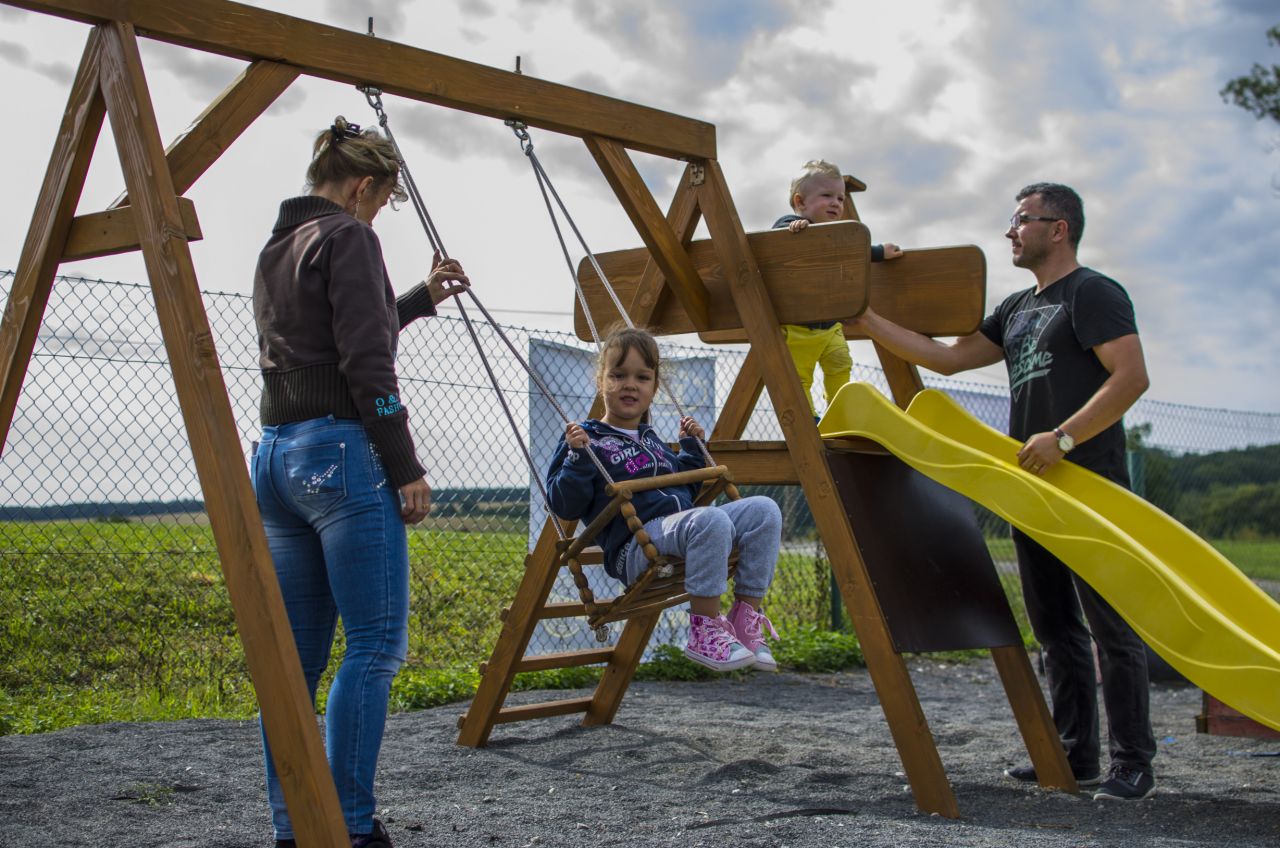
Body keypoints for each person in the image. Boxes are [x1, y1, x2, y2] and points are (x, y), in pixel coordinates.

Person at [847, 182, 1157, 802]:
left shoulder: (1092, 292)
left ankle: (1133, 763)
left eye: (1021, 219)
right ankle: (1075, 755)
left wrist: (1064, 438)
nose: (1010, 231)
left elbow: (1131, 377)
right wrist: (867, 320)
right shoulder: (1016, 308)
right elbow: (946, 359)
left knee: (1110, 628)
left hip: (1090, 486)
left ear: (1059, 228)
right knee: (1055, 628)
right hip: (1031, 488)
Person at [251, 117, 470, 848]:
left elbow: (336, 338)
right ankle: (347, 828)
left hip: (277, 457)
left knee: (297, 662)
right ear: (362, 187)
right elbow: (366, 363)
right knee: (373, 646)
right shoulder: (349, 236)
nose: (376, 216)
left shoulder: (279, 244)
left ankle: (295, 829)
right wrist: (404, 465)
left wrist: (418, 299)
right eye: (378, 203)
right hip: (341, 455)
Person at [545, 327, 784, 672]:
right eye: (618, 375)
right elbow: (564, 505)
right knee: (710, 518)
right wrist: (577, 457)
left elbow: (684, 494)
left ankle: (745, 619)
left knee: (765, 510)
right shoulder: (586, 440)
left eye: (642, 377)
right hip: (635, 545)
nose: (630, 385)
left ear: (654, 387)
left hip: (674, 532)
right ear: (601, 381)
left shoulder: (651, 439)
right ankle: (704, 631)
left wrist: (691, 450)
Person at [774, 159, 903, 421]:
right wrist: (795, 228)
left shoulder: (838, 234)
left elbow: (854, 250)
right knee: (798, 377)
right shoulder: (791, 225)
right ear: (800, 202)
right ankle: (808, 421)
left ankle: (837, 411)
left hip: (831, 326)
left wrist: (880, 252)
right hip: (798, 329)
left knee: (841, 363)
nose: (836, 203)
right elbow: (775, 238)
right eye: (827, 196)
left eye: (841, 198)